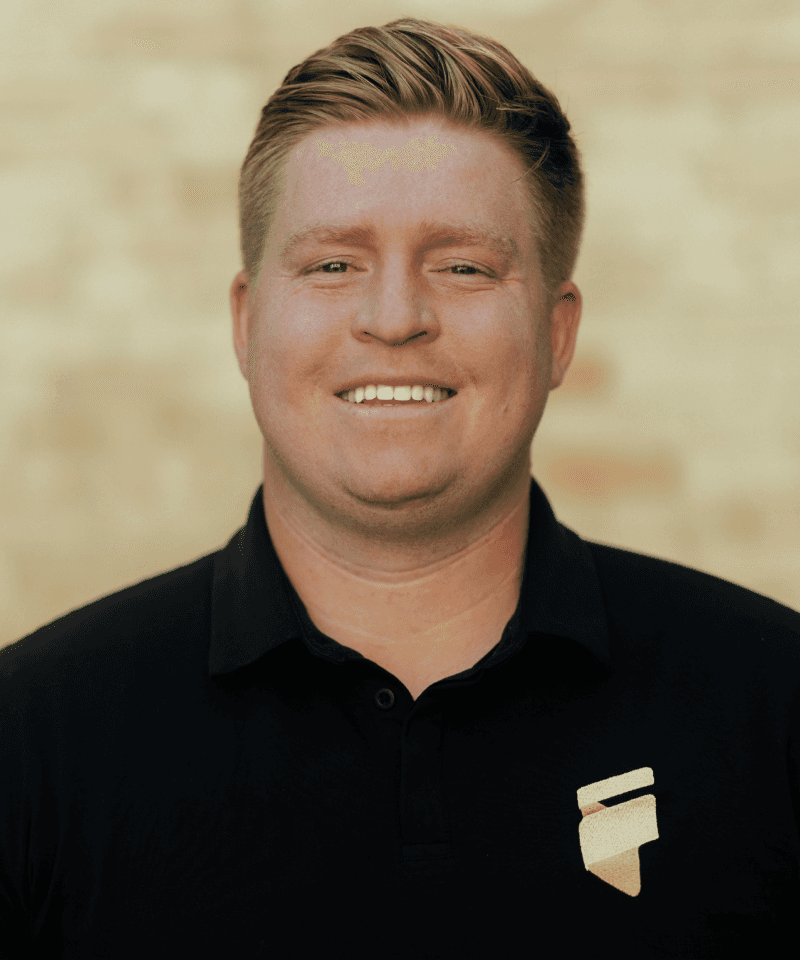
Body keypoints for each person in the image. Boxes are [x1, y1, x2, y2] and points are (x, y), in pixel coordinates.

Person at [1, 16, 798, 960]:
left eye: (462, 266)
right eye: (334, 264)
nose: (394, 318)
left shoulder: (776, 705)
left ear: (556, 333)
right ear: (247, 323)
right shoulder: (31, 737)